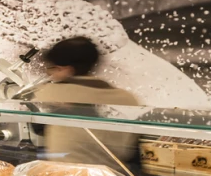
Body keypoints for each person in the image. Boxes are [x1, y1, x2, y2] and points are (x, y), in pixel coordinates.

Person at [33, 36, 139, 164]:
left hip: (66, 170)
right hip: (114, 172)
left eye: (52, 68)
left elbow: (31, 111)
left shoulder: (51, 92)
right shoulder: (126, 97)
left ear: (66, 69)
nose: (50, 74)